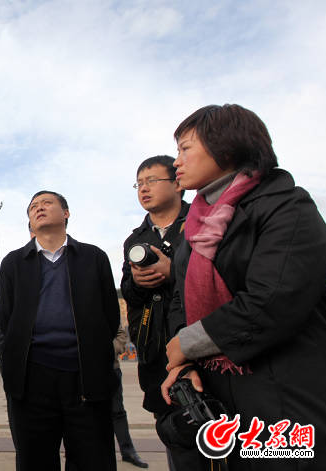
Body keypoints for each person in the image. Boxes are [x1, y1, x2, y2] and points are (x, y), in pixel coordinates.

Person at [161, 104, 326, 470]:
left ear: (226, 146)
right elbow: (179, 301)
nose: (177, 162)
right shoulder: (193, 229)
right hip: (219, 401)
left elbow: (273, 299)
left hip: (284, 397)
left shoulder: (287, 207)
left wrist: (187, 343)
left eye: (186, 148)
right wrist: (184, 364)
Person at [0, 190, 120, 471]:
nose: (39, 208)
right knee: (35, 460)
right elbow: (6, 318)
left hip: (86, 376)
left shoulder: (93, 257)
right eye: (33, 206)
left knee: (93, 458)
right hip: (32, 379)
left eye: (47, 203)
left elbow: (110, 316)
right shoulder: (13, 263)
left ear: (66, 213)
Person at [121, 155, 197, 469]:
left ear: (177, 183)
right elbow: (128, 293)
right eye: (139, 183)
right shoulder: (135, 239)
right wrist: (137, 282)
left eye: (152, 180)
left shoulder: (201, 222)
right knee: (175, 438)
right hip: (156, 355)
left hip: (199, 348)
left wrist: (174, 271)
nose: (144, 188)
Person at [111, 323, 148, 468]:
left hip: (111, 368)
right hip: (85, 370)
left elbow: (121, 335)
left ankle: (128, 451)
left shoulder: (106, 310)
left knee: (118, 411)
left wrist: (106, 351)